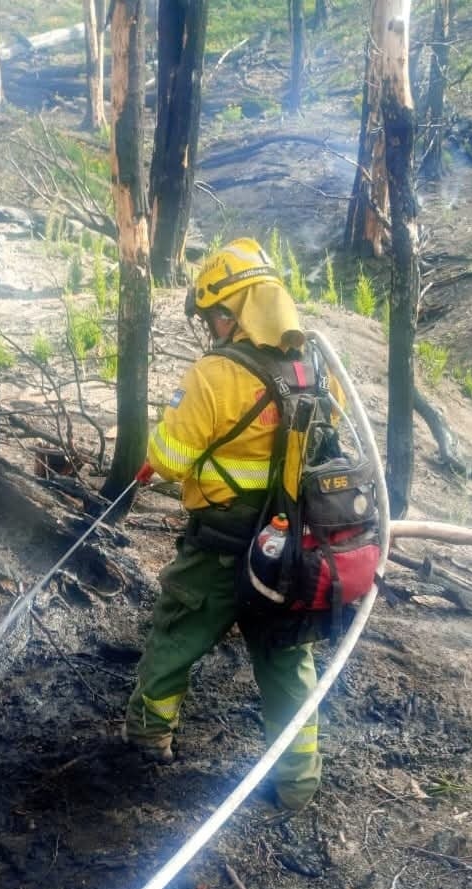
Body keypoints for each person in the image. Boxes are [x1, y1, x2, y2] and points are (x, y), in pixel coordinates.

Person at [123, 238, 324, 812]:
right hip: (288, 545)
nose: (211, 325)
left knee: (176, 635)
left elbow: (171, 459)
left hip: (220, 544)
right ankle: (298, 782)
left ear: (233, 311)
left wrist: (157, 451)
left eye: (214, 314)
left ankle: (146, 741)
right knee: (287, 658)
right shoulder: (309, 365)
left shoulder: (215, 373)